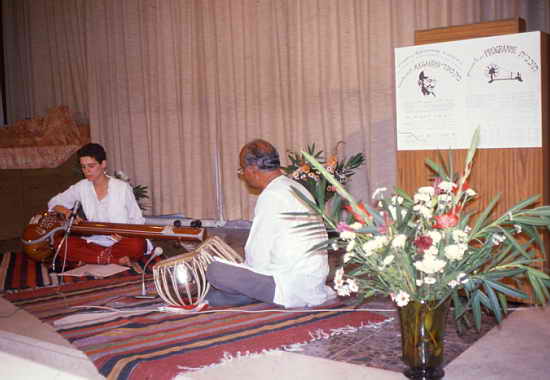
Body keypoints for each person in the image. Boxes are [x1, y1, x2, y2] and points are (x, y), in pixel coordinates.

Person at [205, 139, 335, 308]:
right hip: (312, 282)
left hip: (288, 284)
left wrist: (242, 271)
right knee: (221, 290)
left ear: (252, 170)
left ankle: (249, 295)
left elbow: (258, 254)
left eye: (242, 170)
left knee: (215, 271)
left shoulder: (272, 195)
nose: (243, 175)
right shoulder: (296, 187)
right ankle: (245, 295)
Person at [48, 143, 149, 268]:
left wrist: (124, 235)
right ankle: (114, 260)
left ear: (103, 164)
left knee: (137, 245)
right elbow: (53, 203)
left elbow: (138, 220)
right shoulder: (82, 187)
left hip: (122, 242)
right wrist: (68, 213)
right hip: (95, 241)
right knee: (61, 244)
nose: (87, 171)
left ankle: (94, 258)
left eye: (91, 166)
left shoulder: (122, 188)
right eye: (83, 167)